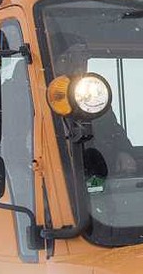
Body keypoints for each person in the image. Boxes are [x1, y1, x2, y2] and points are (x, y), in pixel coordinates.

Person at [51, 37, 137, 177]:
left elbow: (112, 129)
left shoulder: (90, 95)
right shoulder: (31, 95)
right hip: (58, 176)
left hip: (100, 175)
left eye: (84, 56)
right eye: (73, 56)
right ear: (58, 60)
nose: (81, 63)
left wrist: (123, 151)